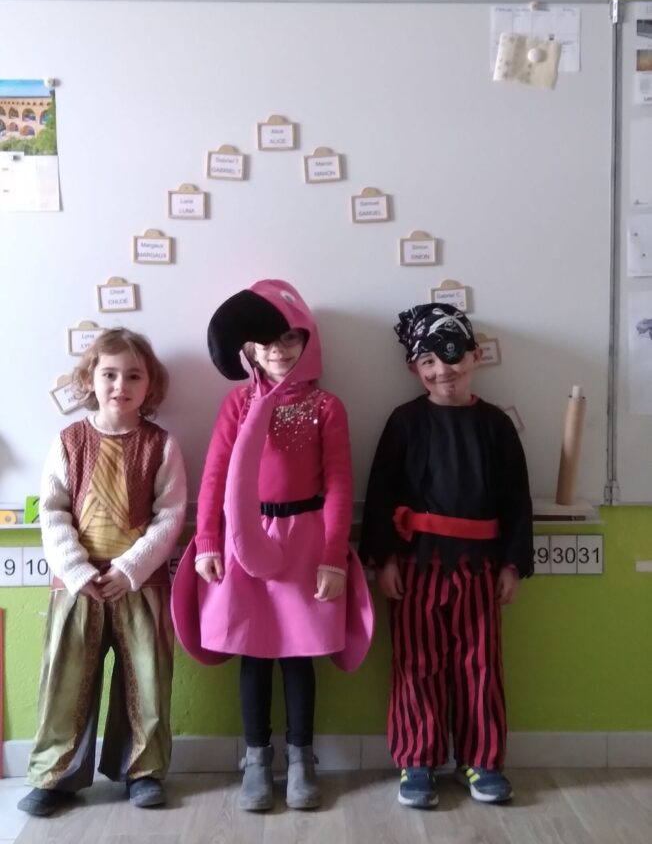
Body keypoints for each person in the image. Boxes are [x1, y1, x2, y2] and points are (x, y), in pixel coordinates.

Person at [171, 279, 373, 812]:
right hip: (242, 541)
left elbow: (339, 483)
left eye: (288, 338)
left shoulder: (327, 407)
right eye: (264, 341)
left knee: (300, 653)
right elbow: (215, 475)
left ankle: (301, 758)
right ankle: (256, 759)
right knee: (254, 653)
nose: (277, 350)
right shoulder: (237, 404)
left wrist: (333, 555)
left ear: (307, 339)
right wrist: (208, 539)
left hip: (305, 544)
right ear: (247, 348)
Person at [359, 303, 533, 809]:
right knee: (417, 664)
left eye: (453, 356)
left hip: (479, 569)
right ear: (414, 367)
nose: (443, 370)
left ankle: (482, 759)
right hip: (416, 568)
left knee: (480, 665)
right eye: (429, 361)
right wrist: (385, 559)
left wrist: (512, 564)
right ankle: (418, 759)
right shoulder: (404, 423)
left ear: (475, 356)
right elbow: (381, 492)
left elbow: (516, 500)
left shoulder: (496, 426)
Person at [18, 328, 187, 818]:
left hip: (141, 585)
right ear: (90, 379)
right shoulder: (69, 442)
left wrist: (130, 567)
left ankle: (143, 771)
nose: (120, 385)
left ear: (150, 384)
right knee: (65, 682)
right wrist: (76, 569)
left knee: (147, 681)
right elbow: (53, 512)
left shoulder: (161, 445)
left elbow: (171, 514)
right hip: (78, 588)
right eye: (109, 374)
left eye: (133, 375)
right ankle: (55, 776)